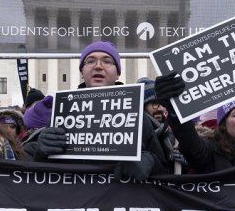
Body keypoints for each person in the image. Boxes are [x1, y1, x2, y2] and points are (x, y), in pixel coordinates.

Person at [23, 41, 169, 179]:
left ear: (117, 73)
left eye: (107, 61)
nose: (98, 66)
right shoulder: (60, 114)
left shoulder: (139, 118)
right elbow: (35, 177)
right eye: (90, 61)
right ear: (82, 72)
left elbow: (166, 171)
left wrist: (150, 162)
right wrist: (40, 153)